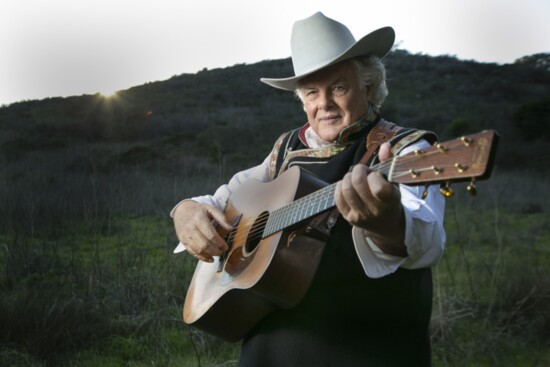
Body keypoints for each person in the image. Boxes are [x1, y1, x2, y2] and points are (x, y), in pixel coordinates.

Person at [171, 12, 446, 366]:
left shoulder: (407, 150)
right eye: (312, 92)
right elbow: (224, 197)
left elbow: (427, 242)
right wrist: (185, 210)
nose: (324, 103)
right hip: (271, 352)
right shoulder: (284, 149)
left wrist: (387, 222)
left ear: (368, 85)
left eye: (339, 87)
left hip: (368, 350)